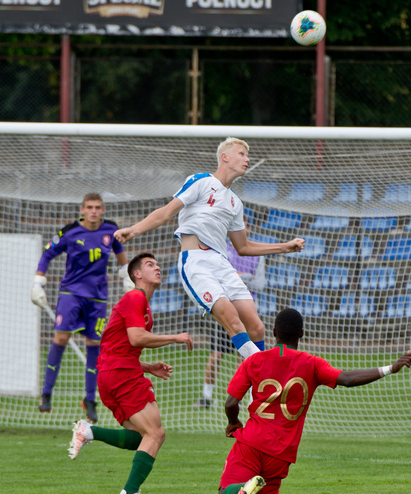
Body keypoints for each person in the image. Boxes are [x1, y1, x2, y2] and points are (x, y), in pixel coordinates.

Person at [181, 307, 411, 494]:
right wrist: (390, 368)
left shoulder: (255, 361)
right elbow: (346, 379)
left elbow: (231, 402)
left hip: (251, 444)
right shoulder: (311, 363)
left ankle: (240, 490)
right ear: (302, 334)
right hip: (280, 455)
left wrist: (233, 423)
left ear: (273, 333)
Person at [114, 137, 304, 362]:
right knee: (232, 320)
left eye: (247, 155)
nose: (247, 159)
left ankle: (256, 392)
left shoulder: (235, 202)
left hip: (222, 263)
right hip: (196, 262)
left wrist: (284, 247)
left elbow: (242, 247)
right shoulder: (201, 181)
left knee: (257, 328)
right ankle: (264, 373)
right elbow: (166, 212)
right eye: (242, 154)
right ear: (225, 157)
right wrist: (133, 230)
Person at [68, 252, 193, 494]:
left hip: (111, 375)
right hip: (121, 376)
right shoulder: (135, 297)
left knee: (140, 436)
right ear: (137, 274)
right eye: (150, 265)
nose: (157, 267)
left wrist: (148, 367)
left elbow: (121, 348)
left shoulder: (141, 303)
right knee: (156, 433)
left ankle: (89, 431)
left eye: (157, 264)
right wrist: (175, 337)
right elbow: (136, 338)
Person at [31, 193, 133, 423]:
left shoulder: (110, 230)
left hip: (98, 297)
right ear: (82, 210)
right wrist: (38, 282)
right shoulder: (69, 232)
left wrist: (126, 271)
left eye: (97, 207)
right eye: (89, 207)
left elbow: (119, 249)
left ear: (103, 210)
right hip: (71, 294)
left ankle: (90, 399)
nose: (94, 211)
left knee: (94, 345)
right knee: (60, 340)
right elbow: (47, 254)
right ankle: (46, 393)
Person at [194, 238, 266, 409]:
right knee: (216, 354)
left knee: (244, 358)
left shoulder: (256, 254)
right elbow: (215, 280)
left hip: (247, 310)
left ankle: (240, 397)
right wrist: (241, 278)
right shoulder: (221, 250)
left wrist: (240, 278)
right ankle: (206, 396)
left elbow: (260, 285)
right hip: (225, 310)